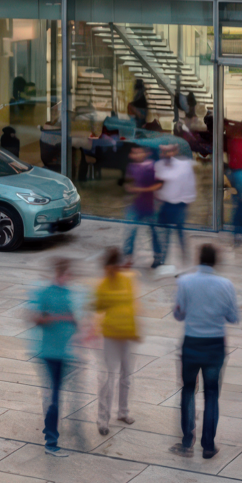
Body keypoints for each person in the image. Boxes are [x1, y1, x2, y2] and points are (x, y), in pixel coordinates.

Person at [170, 243, 238, 460]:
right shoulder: (226, 284)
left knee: (188, 390)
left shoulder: (185, 282)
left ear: (198, 259)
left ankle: (187, 442)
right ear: (216, 261)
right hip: (215, 345)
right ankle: (208, 445)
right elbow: (233, 317)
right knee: (211, 394)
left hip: (191, 343)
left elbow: (178, 315)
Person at [27, 257, 79, 456]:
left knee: (55, 395)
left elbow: (74, 318)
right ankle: (51, 442)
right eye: (67, 273)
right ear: (60, 273)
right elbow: (35, 317)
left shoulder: (68, 294)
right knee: (53, 397)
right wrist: (56, 318)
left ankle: (51, 432)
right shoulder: (45, 292)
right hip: (49, 352)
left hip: (64, 351)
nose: (69, 277)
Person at [91, 248, 139, 435]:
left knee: (126, 375)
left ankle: (123, 411)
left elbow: (131, 304)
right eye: (116, 265)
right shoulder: (102, 284)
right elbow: (97, 306)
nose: (118, 269)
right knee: (107, 378)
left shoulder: (128, 280)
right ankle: (103, 419)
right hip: (110, 335)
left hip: (127, 334)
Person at [154, 141, 196, 271]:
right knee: (163, 234)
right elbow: (158, 183)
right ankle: (161, 259)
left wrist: (186, 201)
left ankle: (185, 260)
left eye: (169, 151)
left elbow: (189, 184)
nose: (166, 154)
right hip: (164, 204)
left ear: (175, 151)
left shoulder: (184, 165)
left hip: (179, 204)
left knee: (179, 234)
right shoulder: (159, 164)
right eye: (164, 151)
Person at [122, 144, 162, 266]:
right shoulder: (131, 167)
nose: (136, 155)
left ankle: (158, 257)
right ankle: (128, 257)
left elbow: (159, 184)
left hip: (150, 205)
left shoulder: (152, 166)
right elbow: (127, 182)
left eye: (139, 152)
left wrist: (142, 190)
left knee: (155, 233)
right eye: (134, 152)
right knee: (130, 232)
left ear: (146, 153)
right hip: (135, 205)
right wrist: (128, 187)